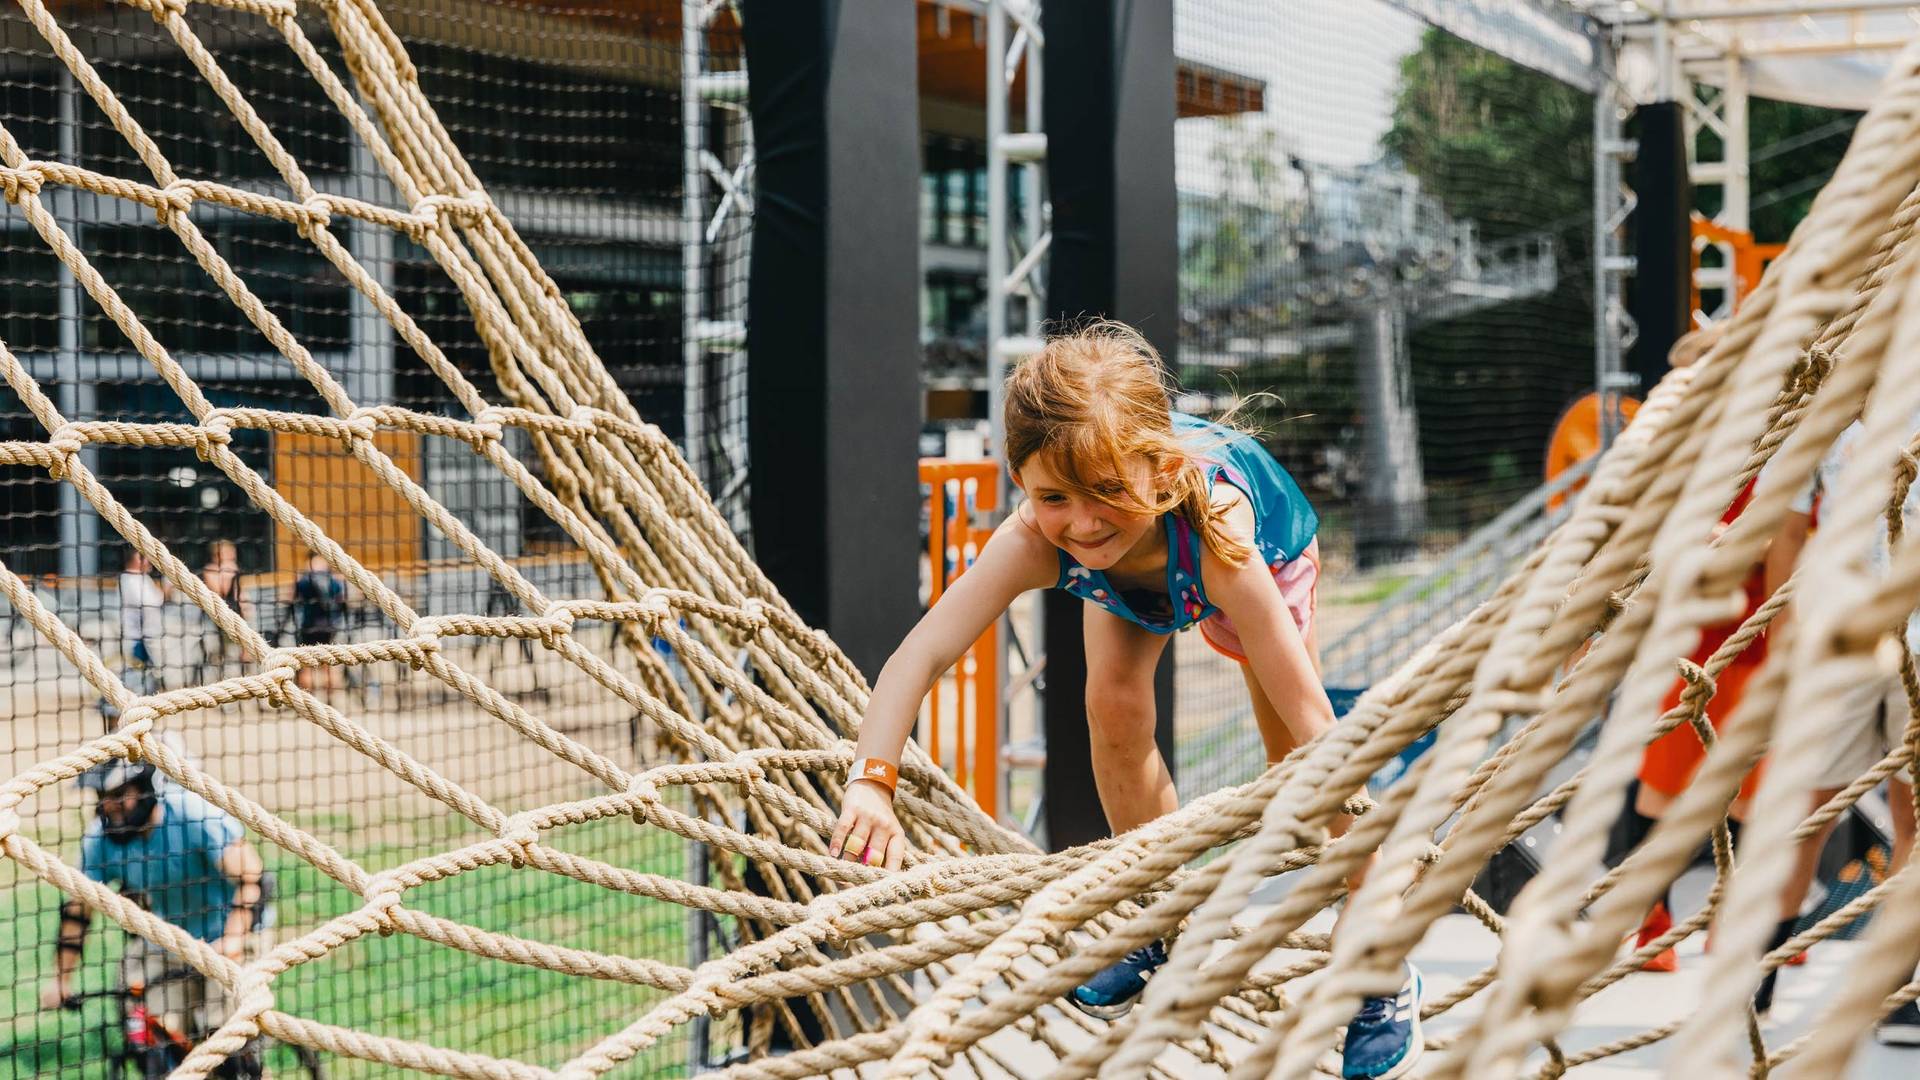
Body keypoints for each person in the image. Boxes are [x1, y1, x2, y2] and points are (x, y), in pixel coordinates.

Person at [825, 322, 1422, 1079]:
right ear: (1024, 486)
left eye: (1103, 490)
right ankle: (1161, 908)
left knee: (1300, 766)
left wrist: (1366, 861)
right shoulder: (1052, 537)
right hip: (1131, 581)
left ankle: (1382, 960)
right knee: (1112, 706)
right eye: (1050, 496)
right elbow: (921, 653)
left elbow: (1317, 721)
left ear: (1163, 468)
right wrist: (872, 782)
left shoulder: (1224, 538)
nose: (1079, 520)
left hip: (1256, 557)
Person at [1753, 414, 1919, 1036]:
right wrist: (1779, 646)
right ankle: (1758, 973)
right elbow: (1789, 530)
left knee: (1913, 818)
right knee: (1804, 810)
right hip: (1840, 634)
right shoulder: (1825, 404)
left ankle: (1897, 990)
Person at [43, 759, 267, 1059]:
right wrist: (61, 979)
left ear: (145, 788)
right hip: (170, 940)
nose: (110, 806)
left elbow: (251, 878)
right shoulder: (100, 840)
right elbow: (78, 912)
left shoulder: (193, 814)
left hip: (231, 933)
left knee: (227, 1040)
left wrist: (234, 938)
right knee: (154, 1029)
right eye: (104, 798)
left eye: (119, 795)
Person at [291, 552, 347, 692]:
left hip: (309, 627)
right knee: (327, 664)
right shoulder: (334, 582)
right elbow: (342, 601)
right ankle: (329, 701)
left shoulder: (304, 581)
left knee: (306, 666)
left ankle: (307, 701)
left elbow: (292, 599)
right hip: (328, 627)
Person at [199, 539, 253, 675]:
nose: (232, 555)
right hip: (214, 622)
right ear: (217, 554)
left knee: (236, 657)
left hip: (234, 619)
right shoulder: (209, 570)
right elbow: (220, 591)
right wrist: (228, 573)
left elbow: (238, 595)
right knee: (217, 658)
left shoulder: (233, 570)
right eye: (228, 552)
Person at [119, 548, 171, 676]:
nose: (148, 562)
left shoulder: (144, 578)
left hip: (150, 635)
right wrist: (166, 587)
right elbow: (150, 603)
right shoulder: (128, 579)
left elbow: (159, 599)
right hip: (135, 638)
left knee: (153, 675)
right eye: (142, 558)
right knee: (139, 676)